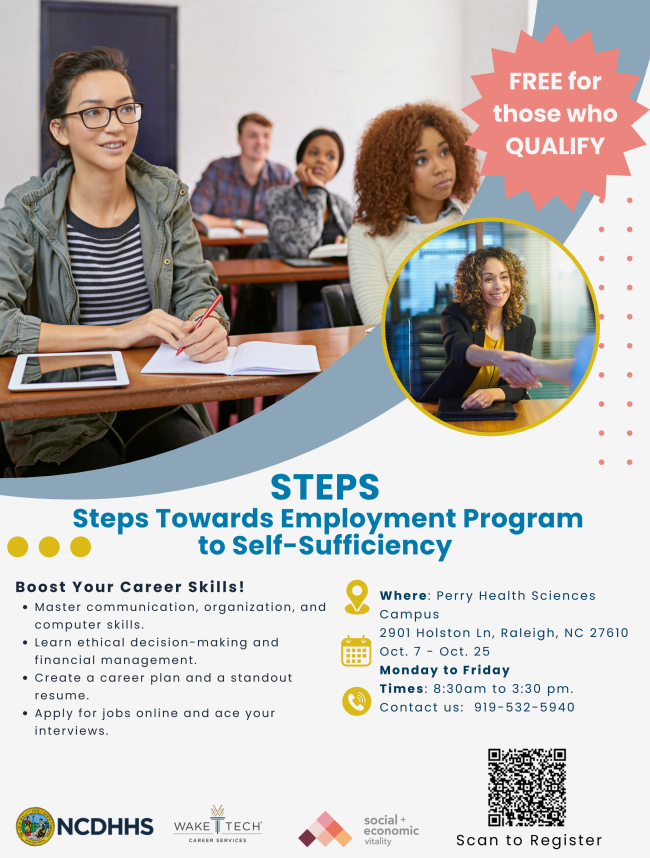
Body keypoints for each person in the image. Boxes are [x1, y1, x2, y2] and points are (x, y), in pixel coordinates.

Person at [0, 47, 229, 477]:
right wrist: (119, 334)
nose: (116, 126)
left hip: (154, 397)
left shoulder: (165, 195)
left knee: (203, 480)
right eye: (93, 113)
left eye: (125, 109)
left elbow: (197, 288)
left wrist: (206, 321)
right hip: (60, 408)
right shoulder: (26, 209)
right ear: (60, 129)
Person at [348, 102, 481, 326]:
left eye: (444, 152)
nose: (441, 167)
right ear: (395, 171)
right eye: (421, 160)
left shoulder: (477, 223)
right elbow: (380, 324)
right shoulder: (366, 236)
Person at [419, 247, 539, 408]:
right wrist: (496, 357)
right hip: (450, 404)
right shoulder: (455, 314)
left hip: (494, 408)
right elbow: (461, 350)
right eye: (488, 279)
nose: (498, 285)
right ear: (474, 285)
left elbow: (520, 386)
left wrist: (492, 394)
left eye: (504, 277)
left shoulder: (525, 326)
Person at [263, 129, 354, 328]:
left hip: (342, 293)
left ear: (337, 166)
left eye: (330, 156)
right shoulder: (277, 197)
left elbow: (362, 246)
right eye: (314, 153)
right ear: (301, 158)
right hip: (298, 298)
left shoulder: (342, 205)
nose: (321, 160)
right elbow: (299, 248)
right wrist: (317, 192)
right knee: (321, 315)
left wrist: (348, 243)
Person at [190, 113, 296, 233]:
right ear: (240, 140)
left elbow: (299, 219)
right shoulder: (218, 170)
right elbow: (194, 218)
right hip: (223, 249)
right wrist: (238, 224)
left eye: (266, 136)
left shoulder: (283, 176)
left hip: (269, 250)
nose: (260, 142)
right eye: (253, 136)